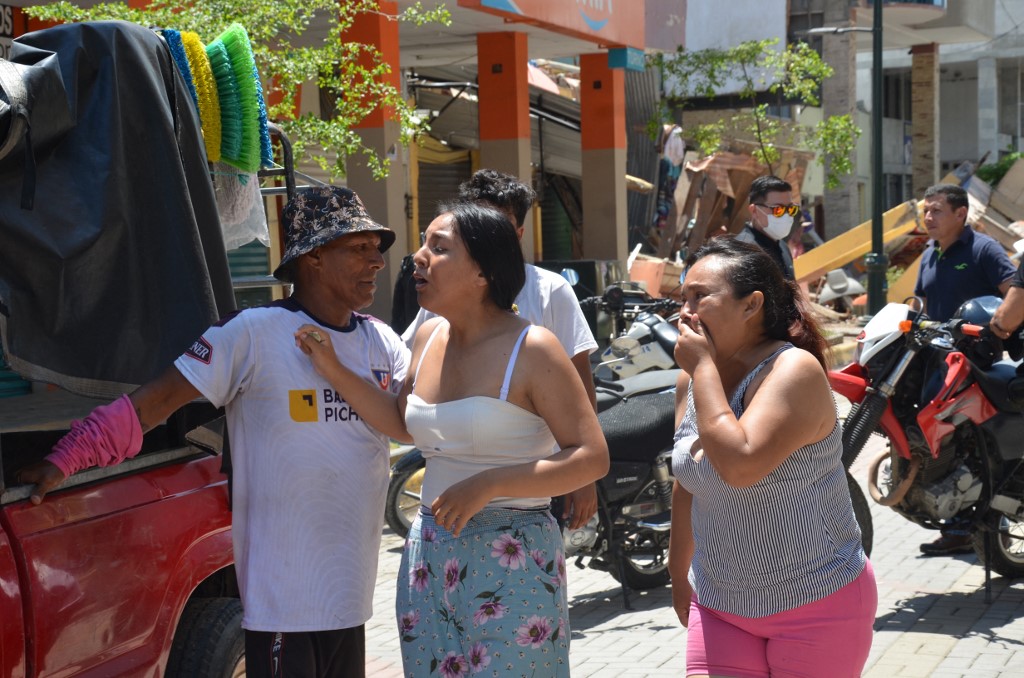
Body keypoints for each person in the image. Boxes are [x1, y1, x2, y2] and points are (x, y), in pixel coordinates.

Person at [17, 186, 409, 678]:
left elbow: (418, 422)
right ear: (312, 256)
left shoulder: (382, 341)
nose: (377, 260)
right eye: (358, 247)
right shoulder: (252, 333)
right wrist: (69, 455)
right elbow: (153, 404)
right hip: (283, 603)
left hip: (350, 598)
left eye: (377, 247)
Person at [294, 201, 609, 677]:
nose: (417, 257)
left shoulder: (534, 347)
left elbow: (591, 457)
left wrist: (489, 484)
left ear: (483, 272)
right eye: (423, 244)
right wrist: (334, 369)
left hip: (514, 551)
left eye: (438, 248)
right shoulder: (427, 337)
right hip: (430, 550)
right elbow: (403, 424)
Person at [668, 236, 876, 678]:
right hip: (720, 604)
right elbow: (688, 482)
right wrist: (678, 573)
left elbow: (740, 464)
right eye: (682, 297)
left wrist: (703, 369)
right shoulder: (692, 383)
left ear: (751, 305)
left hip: (818, 600)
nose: (685, 311)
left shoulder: (793, 370)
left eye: (700, 296)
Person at [402, 168, 601, 529]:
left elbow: (580, 390)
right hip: (435, 540)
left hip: (521, 523)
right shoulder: (433, 317)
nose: (420, 258)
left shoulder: (548, 294)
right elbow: (403, 409)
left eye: (440, 246)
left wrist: (580, 479)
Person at [913, 182, 1016, 555]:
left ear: (961, 214)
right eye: (926, 210)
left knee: (967, 443)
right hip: (934, 359)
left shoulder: (983, 249)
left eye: (937, 210)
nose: (928, 217)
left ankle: (962, 525)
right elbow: (921, 307)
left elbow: (1012, 293)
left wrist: (996, 331)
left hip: (975, 363)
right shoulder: (928, 253)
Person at [735, 175, 799, 281]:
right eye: (778, 209)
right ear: (754, 211)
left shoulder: (783, 247)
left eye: (791, 209)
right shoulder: (743, 251)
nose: (787, 215)